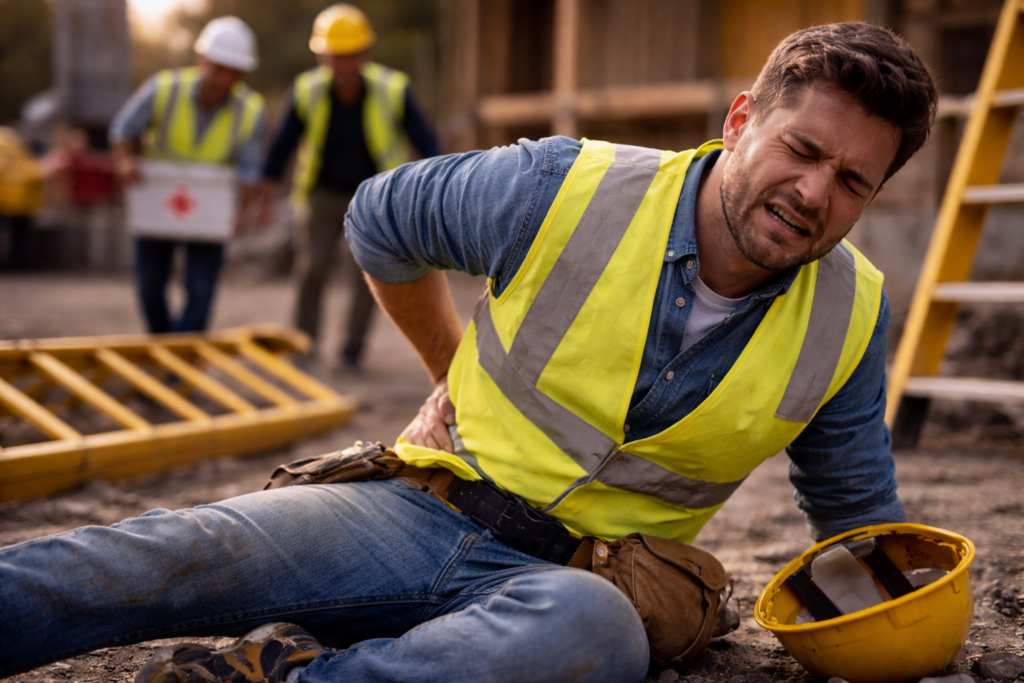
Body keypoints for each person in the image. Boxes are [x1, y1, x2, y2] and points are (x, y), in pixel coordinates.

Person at [0, 22, 938, 683]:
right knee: (146, 556)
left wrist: (914, 626)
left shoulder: (849, 316)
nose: (814, 191)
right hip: (411, 511)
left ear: (872, 197)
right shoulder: (566, 186)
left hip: (571, 587)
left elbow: (858, 520)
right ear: (741, 121)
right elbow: (378, 218)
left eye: (851, 180)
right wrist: (446, 363)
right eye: (800, 149)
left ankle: (283, 673)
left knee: (597, 638)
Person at [259, 3, 440, 371]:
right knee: (312, 268)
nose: (340, 65)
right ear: (321, 57)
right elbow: (282, 146)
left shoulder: (393, 89)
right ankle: (304, 345)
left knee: (371, 274)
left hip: (374, 197)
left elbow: (427, 142)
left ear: (365, 54)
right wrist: (265, 187)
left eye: (348, 56)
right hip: (322, 194)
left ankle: (352, 351)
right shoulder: (306, 90)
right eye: (333, 57)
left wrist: (432, 190)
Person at [110, 16, 266, 334]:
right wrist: (125, 162)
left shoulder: (250, 110)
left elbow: (250, 171)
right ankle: (165, 345)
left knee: (202, 290)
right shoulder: (164, 89)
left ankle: (180, 363)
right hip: (158, 201)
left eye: (233, 72)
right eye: (219, 68)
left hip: (210, 208)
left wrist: (241, 211)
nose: (224, 79)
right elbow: (123, 131)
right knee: (150, 286)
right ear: (202, 60)